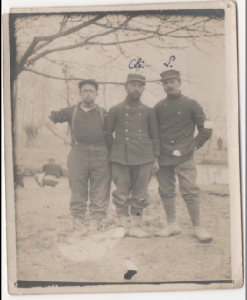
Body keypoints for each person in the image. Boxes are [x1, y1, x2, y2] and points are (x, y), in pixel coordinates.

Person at [44, 79, 111, 237]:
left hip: (101, 154)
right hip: (78, 153)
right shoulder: (71, 111)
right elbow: (47, 121)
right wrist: (64, 137)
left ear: (96, 94)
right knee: (77, 189)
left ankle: (96, 223)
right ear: (80, 93)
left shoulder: (103, 112)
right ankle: (79, 225)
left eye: (91, 91)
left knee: (100, 189)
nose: (88, 94)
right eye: (85, 91)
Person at [154, 70, 213, 242]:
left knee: (190, 190)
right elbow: (154, 132)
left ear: (179, 83)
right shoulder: (158, 106)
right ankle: (172, 225)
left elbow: (207, 127)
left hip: (184, 154)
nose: (169, 85)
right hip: (164, 155)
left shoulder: (192, 104)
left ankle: (197, 227)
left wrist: (193, 146)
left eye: (172, 82)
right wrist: (156, 154)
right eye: (165, 83)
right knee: (165, 190)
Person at [105, 73, 160, 238]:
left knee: (141, 193)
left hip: (144, 158)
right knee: (121, 192)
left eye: (139, 86)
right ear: (126, 86)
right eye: (133, 85)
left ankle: (136, 225)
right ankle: (122, 225)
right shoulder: (115, 110)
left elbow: (155, 136)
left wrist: (156, 158)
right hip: (121, 157)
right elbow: (108, 134)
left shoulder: (149, 111)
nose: (136, 89)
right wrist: (113, 154)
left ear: (143, 88)